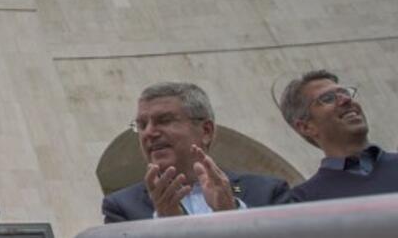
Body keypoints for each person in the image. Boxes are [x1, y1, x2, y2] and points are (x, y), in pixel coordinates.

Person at [101, 82, 289, 222]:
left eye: (165, 120)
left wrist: (231, 216)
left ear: (206, 131)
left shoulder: (268, 193)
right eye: (142, 125)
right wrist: (168, 229)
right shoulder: (121, 209)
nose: (149, 132)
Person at [278, 69, 398, 202]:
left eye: (345, 93)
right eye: (328, 98)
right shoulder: (304, 201)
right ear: (306, 127)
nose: (346, 100)